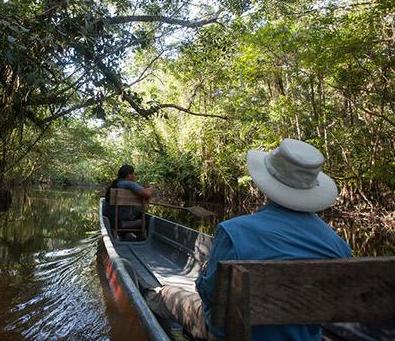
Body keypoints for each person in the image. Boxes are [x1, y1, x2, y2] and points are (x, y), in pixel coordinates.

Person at [144, 138, 352, 340]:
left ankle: (146, 296)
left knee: (168, 295)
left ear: (267, 182)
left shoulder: (233, 231)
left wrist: (203, 277)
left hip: (234, 335)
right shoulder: (339, 246)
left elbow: (209, 296)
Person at [104, 164, 154, 230]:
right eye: (134, 174)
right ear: (129, 175)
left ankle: (127, 231)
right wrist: (151, 188)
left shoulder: (115, 183)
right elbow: (147, 193)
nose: (134, 176)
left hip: (111, 219)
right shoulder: (128, 183)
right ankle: (131, 228)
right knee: (145, 217)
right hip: (123, 218)